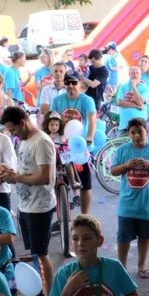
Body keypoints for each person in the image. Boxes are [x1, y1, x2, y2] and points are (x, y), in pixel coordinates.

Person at [0, 106, 56, 296]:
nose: (12, 134)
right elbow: (26, 170)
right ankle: (42, 291)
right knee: (35, 252)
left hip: (40, 206)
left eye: (13, 129)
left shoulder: (41, 142)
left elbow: (44, 177)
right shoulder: (23, 141)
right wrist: (11, 173)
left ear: (23, 122)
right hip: (25, 205)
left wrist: (16, 178)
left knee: (42, 253)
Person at [109, 117, 149, 279]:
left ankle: (142, 265)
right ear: (128, 134)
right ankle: (122, 267)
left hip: (148, 205)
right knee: (124, 238)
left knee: (145, 237)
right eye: (132, 133)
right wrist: (126, 166)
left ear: (146, 132)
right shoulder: (123, 151)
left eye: (139, 132)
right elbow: (113, 170)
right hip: (127, 205)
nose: (136, 136)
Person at [51, 72, 98, 214]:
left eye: (73, 82)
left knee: (85, 185)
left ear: (80, 83)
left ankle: (85, 216)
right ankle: (62, 218)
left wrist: (89, 136)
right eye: (67, 83)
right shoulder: (58, 100)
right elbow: (52, 119)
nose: (70, 86)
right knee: (59, 181)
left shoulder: (87, 100)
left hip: (79, 145)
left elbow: (92, 120)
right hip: (62, 144)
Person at [114, 65, 149, 132]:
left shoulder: (145, 88)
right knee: (120, 142)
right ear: (129, 74)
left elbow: (140, 102)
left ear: (140, 75)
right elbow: (119, 102)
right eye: (133, 73)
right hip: (124, 126)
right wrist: (136, 105)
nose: (135, 75)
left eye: (137, 73)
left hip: (139, 127)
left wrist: (134, 86)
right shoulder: (123, 86)